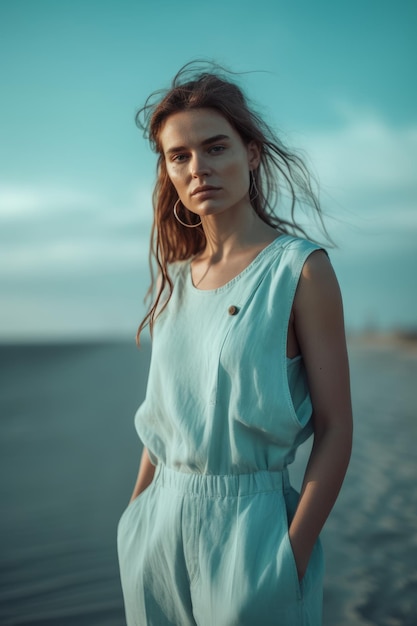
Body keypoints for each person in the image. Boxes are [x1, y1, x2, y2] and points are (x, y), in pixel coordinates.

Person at [117, 62, 353, 626]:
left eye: (215, 147)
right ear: (168, 170)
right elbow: (166, 416)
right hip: (156, 535)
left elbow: (337, 427)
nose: (199, 168)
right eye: (180, 156)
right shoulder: (171, 280)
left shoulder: (300, 271)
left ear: (251, 152)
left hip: (253, 532)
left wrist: (288, 558)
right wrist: (136, 519)